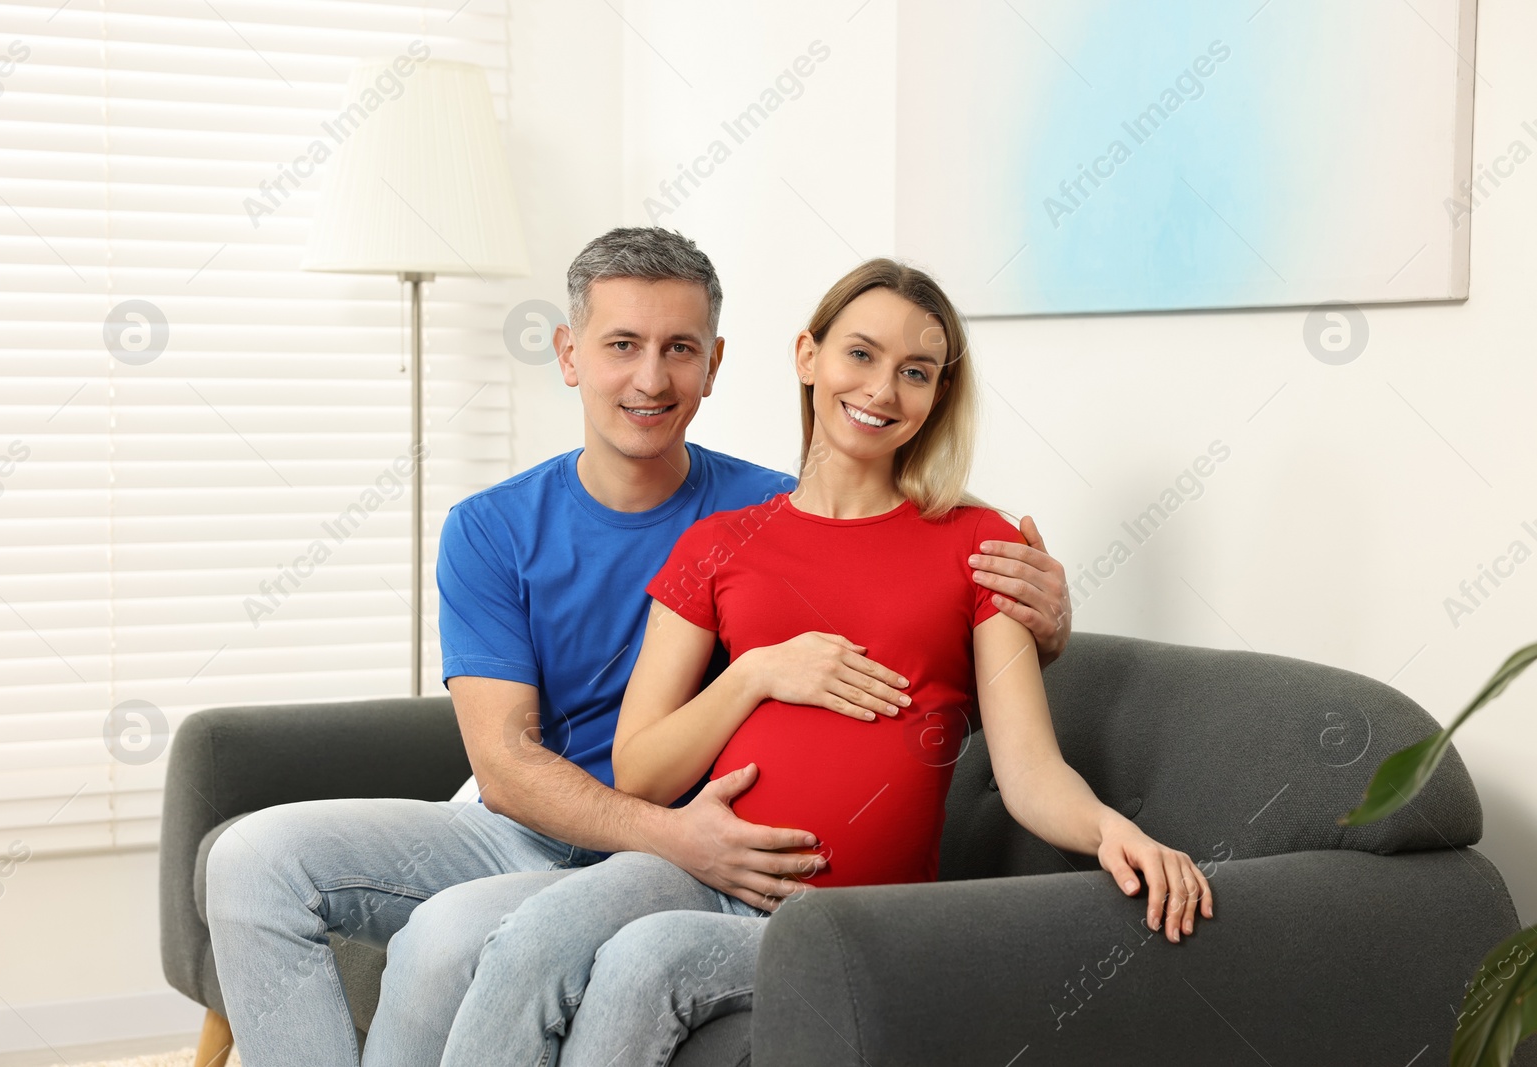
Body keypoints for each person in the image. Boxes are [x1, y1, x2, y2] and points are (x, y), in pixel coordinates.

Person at [204, 228, 1074, 1067]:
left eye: (680, 348)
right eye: (622, 343)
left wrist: (1046, 621)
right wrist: (676, 827)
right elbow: (507, 763)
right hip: (540, 822)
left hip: (694, 839)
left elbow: (906, 589)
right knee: (249, 857)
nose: (650, 378)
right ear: (569, 352)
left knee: (445, 938)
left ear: (716, 364)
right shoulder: (493, 527)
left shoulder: (780, 517)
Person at [437, 259, 1214, 1067]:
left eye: (915, 372)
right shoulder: (716, 543)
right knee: (535, 934)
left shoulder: (981, 546)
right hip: (704, 866)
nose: (882, 389)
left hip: (844, 913)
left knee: (644, 962)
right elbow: (636, 770)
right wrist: (757, 671)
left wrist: (1111, 829)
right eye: (861, 355)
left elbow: (1026, 769)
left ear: (939, 395)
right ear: (808, 357)